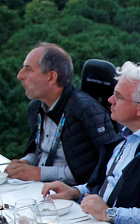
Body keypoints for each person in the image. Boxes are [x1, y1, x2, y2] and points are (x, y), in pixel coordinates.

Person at [42, 61, 140, 224]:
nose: (110, 100)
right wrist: (75, 192)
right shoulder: (126, 135)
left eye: (119, 96)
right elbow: (109, 184)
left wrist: (110, 213)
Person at [7, 43, 117, 184]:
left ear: (51, 77)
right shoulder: (36, 107)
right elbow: (40, 150)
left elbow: (103, 167)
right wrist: (25, 163)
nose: (20, 75)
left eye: (28, 70)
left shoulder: (86, 111)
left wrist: (39, 173)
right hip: (40, 187)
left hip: (72, 197)